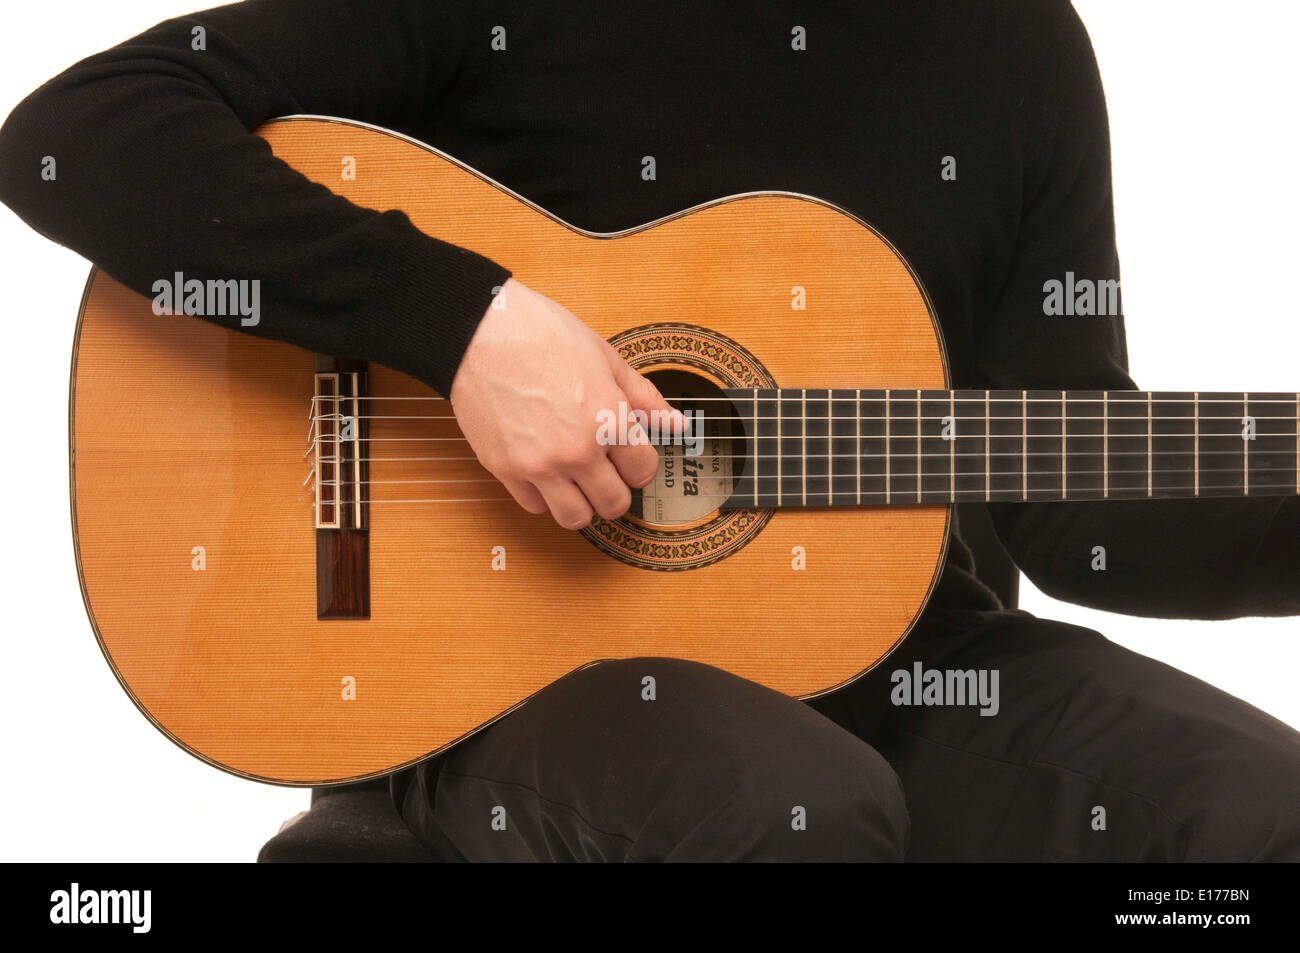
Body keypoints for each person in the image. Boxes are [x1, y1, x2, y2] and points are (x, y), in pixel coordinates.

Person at [1, 0, 1297, 861]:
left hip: (912, 655)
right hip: (517, 677)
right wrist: (464, 331)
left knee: (1263, 810)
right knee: (796, 816)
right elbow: (81, 133)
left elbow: (1082, 500)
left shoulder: (1015, 42)